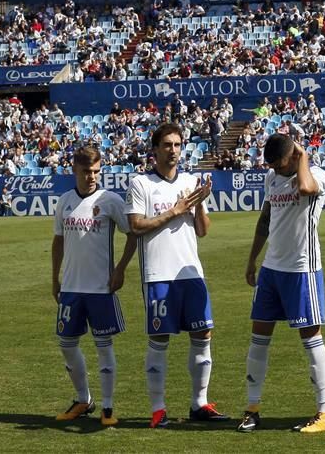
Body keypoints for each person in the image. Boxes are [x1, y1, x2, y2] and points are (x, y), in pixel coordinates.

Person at [125, 123, 227, 428]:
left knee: (203, 336)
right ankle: (158, 409)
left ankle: (199, 404)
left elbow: (203, 231)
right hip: (159, 273)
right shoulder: (140, 184)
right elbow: (136, 226)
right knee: (159, 340)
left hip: (191, 272)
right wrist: (175, 209)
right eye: (167, 145)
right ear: (155, 149)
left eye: (178, 145)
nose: (173, 150)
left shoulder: (189, 181)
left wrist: (197, 204)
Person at [237, 133, 325, 434]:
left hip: (302, 270)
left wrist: (302, 156)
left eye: (279, 164)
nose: (275, 170)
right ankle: (252, 409)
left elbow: (305, 188)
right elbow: (266, 219)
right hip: (272, 270)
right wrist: (253, 259)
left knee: (311, 337)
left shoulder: (316, 174)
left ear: (294, 157)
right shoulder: (272, 177)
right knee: (258, 338)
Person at [51, 147, 137, 424]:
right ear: (75, 169)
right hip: (72, 288)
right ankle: (83, 399)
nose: (92, 177)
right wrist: (55, 277)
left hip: (101, 287)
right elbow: (58, 241)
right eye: (87, 171)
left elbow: (132, 235)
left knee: (104, 346)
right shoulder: (64, 201)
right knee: (66, 343)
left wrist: (120, 270)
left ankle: (108, 408)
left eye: (97, 172)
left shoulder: (110, 200)